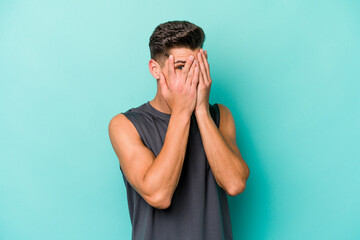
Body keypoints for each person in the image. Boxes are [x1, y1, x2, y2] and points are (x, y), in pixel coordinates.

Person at [108, 20, 250, 240]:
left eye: (198, 65)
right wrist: (182, 112)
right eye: (181, 67)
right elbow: (159, 195)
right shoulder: (125, 125)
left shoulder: (220, 116)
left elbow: (234, 183)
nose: (192, 76)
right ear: (155, 69)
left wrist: (201, 110)